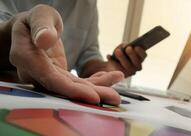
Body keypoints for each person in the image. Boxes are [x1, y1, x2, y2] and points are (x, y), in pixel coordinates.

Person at [0, 0, 147, 105]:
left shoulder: (88, 4)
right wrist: (12, 32)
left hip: (54, 98)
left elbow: (88, 58)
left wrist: (113, 68)